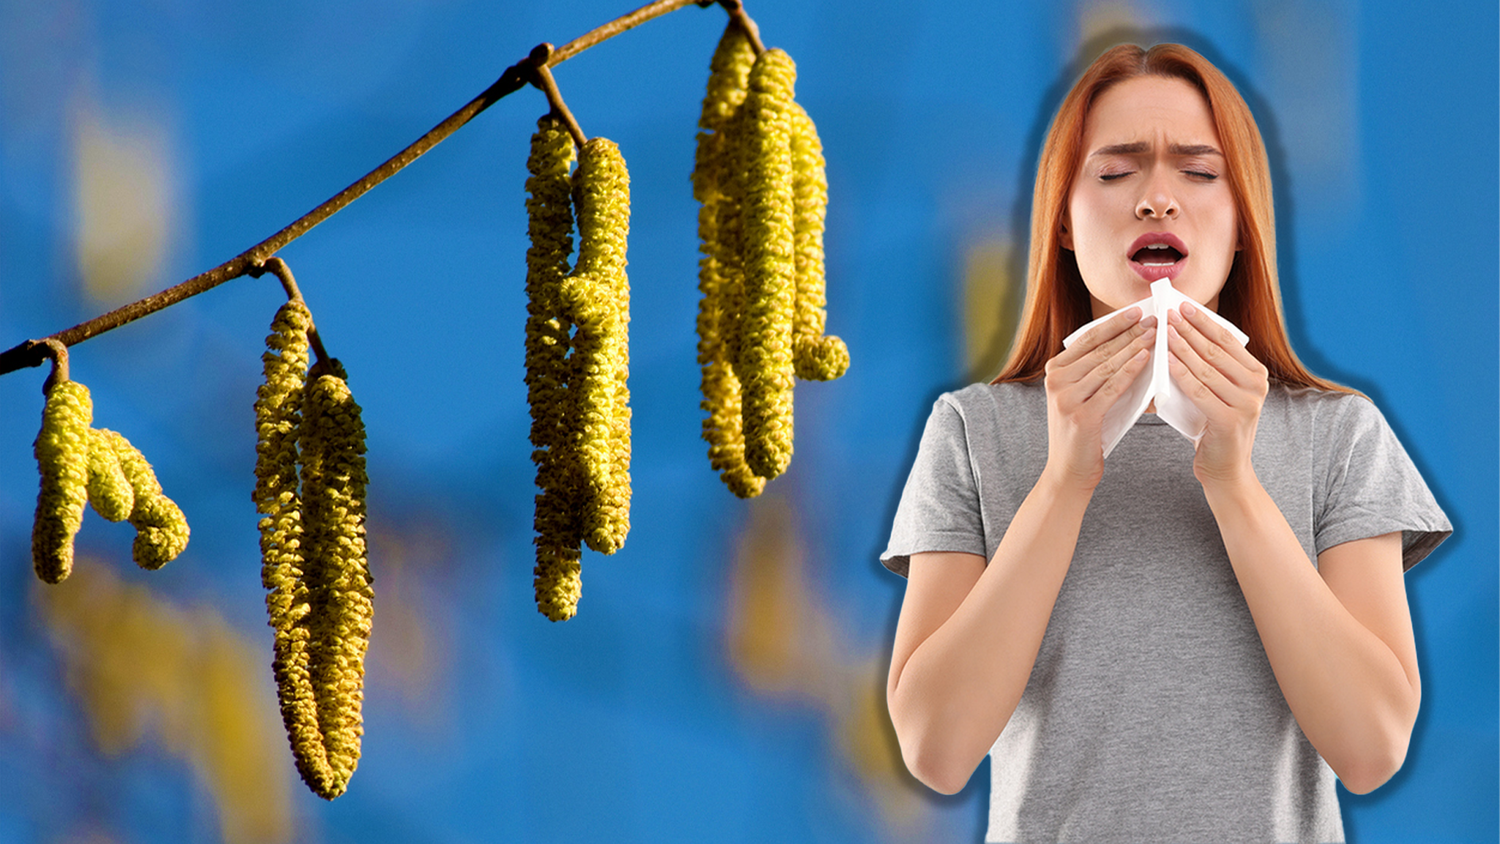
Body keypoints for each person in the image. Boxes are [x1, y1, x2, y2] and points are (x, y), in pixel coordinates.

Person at [881, 43, 1451, 843]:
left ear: (1245, 222)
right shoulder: (975, 430)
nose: (1156, 198)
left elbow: (1373, 749)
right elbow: (935, 750)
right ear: (1065, 225)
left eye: (1198, 171)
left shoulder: (1339, 434)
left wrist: (1235, 484)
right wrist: (1064, 480)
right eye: (1115, 173)